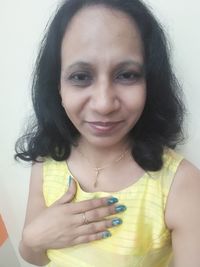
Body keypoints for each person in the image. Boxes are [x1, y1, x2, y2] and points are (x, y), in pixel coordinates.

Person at [15, 0, 200, 266]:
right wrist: (32, 238)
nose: (104, 104)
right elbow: (35, 257)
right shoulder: (46, 163)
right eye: (80, 76)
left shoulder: (182, 185)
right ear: (56, 84)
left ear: (151, 82)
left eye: (126, 75)